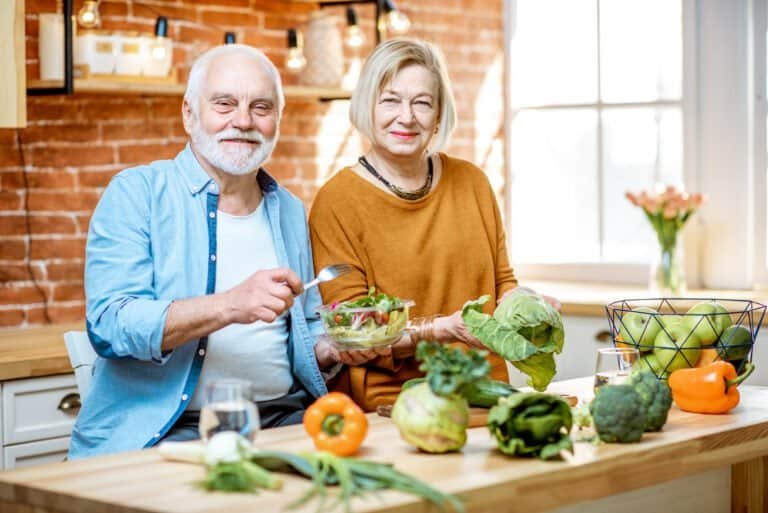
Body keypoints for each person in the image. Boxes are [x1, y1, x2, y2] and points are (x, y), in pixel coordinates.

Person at [69, 44, 341, 459]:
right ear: (189, 114)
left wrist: (335, 348)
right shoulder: (137, 192)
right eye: (225, 104)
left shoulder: (287, 208)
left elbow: (307, 324)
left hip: (284, 423)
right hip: (166, 434)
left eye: (261, 107)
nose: (243, 121)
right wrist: (230, 305)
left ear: (277, 122)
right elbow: (110, 323)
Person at [309, 38, 559, 412]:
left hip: (485, 394)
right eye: (390, 100)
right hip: (394, 405)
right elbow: (358, 335)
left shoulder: (472, 182)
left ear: (439, 113)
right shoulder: (337, 201)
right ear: (366, 106)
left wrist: (523, 305)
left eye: (422, 102)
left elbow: (501, 282)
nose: (406, 117)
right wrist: (439, 330)